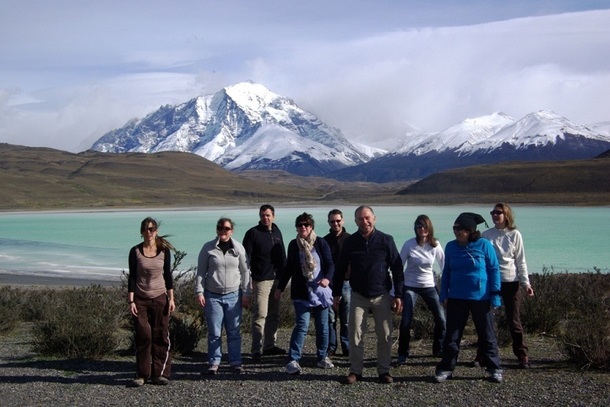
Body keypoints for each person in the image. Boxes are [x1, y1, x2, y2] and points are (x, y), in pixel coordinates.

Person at [333, 205, 404, 384]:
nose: (364, 222)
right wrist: (335, 293)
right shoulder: (350, 242)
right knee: (355, 333)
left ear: (374, 218)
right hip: (358, 294)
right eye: (360, 219)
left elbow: (396, 268)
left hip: (382, 295)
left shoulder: (386, 240)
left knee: (385, 334)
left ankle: (384, 371)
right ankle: (356, 371)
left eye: (367, 218)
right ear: (355, 221)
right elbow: (340, 268)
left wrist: (398, 294)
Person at [434, 212, 503, 384]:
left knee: (486, 334)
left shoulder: (484, 245)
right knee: (452, 335)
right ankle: (446, 368)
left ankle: (494, 368)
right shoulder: (450, 247)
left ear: (470, 230)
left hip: (481, 297)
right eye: (454, 228)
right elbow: (447, 271)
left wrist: (495, 294)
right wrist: (444, 294)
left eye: (460, 229)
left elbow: (494, 269)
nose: (456, 232)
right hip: (457, 296)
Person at [275, 212, 335, 374]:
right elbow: (288, 268)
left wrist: (327, 279)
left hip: (320, 292)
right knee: (302, 325)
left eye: (306, 224)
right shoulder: (294, 245)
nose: (303, 227)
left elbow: (330, 264)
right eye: (300, 224)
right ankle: (293, 359)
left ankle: (322, 357)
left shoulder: (321, 243)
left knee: (323, 326)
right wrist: (280, 287)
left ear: (311, 227)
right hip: (301, 292)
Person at [480, 203, 535, 369]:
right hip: (491, 282)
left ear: (506, 215)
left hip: (511, 282)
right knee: (486, 319)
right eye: (493, 213)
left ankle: (521, 354)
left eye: (499, 213)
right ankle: (482, 354)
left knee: (514, 320)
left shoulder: (515, 235)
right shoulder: (485, 235)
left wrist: (526, 283)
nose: (495, 215)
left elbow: (520, 260)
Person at [195, 217, 251, 375]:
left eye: (226, 228)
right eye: (220, 228)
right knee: (214, 332)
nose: (223, 231)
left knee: (234, 331)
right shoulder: (208, 248)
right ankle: (214, 362)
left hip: (234, 295)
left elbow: (246, 271)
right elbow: (200, 271)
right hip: (212, 296)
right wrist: (199, 291)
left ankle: (235, 362)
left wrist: (247, 292)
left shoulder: (239, 248)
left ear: (231, 230)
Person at [127, 217, 175, 387]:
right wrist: (131, 300)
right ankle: (142, 374)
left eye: (152, 229)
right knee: (144, 335)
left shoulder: (163, 251)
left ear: (156, 231)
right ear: (141, 232)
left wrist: (171, 298)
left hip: (160, 297)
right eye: (146, 229)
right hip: (140, 298)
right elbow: (132, 276)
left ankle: (160, 373)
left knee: (160, 334)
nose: (149, 232)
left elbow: (168, 275)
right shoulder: (135, 251)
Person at [396, 214, 446, 366]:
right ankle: (403, 353)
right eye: (419, 226)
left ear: (429, 227)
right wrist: (396, 292)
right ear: (415, 228)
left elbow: (444, 266)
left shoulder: (435, 245)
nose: (422, 228)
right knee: (406, 322)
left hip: (429, 286)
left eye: (424, 225)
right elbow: (398, 267)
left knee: (441, 319)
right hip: (410, 286)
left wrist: (447, 288)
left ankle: (438, 349)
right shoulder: (409, 245)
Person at [243, 204, 287, 362]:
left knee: (273, 314)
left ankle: (269, 345)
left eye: (268, 215)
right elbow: (245, 259)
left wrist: (283, 279)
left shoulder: (277, 232)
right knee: (260, 314)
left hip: (277, 280)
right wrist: (247, 282)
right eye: (262, 215)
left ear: (273, 216)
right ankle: (256, 349)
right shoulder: (253, 233)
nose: (265, 218)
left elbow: (282, 256)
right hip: (261, 280)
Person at [323, 209, 351, 357]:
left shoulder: (351, 239)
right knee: (330, 319)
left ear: (343, 220)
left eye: (338, 221)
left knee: (346, 319)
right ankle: (331, 346)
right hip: (329, 285)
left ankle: (347, 347)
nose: (335, 223)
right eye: (332, 221)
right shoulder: (324, 241)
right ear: (329, 222)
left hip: (347, 283)